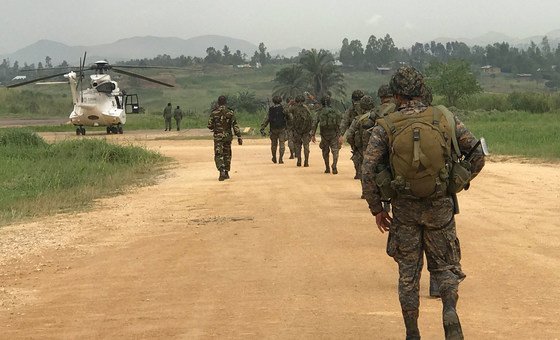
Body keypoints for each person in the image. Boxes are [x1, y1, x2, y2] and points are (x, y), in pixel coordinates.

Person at [361, 66, 485, 340]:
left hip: (404, 212)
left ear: (396, 94)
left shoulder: (386, 125)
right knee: (445, 268)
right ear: (421, 90)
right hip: (440, 208)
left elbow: (368, 170)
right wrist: (455, 183)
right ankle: (450, 310)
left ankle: (412, 332)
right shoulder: (445, 118)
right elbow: (477, 154)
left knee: (408, 275)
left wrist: (378, 209)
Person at [207, 95, 243, 181]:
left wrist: (215, 127)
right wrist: (239, 136)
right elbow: (235, 125)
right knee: (227, 153)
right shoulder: (230, 112)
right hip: (227, 137)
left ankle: (221, 171)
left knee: (218, 153)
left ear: (218, 102)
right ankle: (226, 172)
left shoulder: (214, 112)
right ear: (225, 102)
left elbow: (209, 125)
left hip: (218, 137)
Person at [345, 95, 376, 187]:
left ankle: (365, 190)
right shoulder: (378, 117)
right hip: (376, 148)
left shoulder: (358, 119)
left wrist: (354, 146)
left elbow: (349, 134)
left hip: (362, 148)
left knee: (363, 169)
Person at [311, 95, 342, 174]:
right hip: (334, 134)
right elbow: (340, 123)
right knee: (335, 151)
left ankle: (327, 167)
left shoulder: (319, 112)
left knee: (325, 151)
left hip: (324, 135)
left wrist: (313, 134)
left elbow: (315, 123)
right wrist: (340, 134)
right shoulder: (336, 111)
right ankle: (334, 165)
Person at [339, 89, 365, 179]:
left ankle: (358, 172)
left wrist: (341, 135)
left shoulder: (350, 110)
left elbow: (344, 123)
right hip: (366, 134)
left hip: (354, 137)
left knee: (356, 154)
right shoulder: (367, 109)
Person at [286, 94, 314, 167]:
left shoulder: (294, 108)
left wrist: (289, 104)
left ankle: (299, 160)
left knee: (298, 145)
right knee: (306, 146)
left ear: (296, 101)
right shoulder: (307, 107)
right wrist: (312, 99)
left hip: (297, 130)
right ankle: (306, 161)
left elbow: (285, 111)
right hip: (306, 130)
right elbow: (316, 106)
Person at [260, 95, 288, 164]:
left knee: (274, 144)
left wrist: (262, 128)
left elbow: (266, 119)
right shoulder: (284, 109)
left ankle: (274, 157)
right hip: (282, 128)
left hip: (273, 129)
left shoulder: (271, 109)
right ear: (280, 101)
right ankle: (281, 158)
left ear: (273, 101)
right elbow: (289, 117)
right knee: (282, 144)